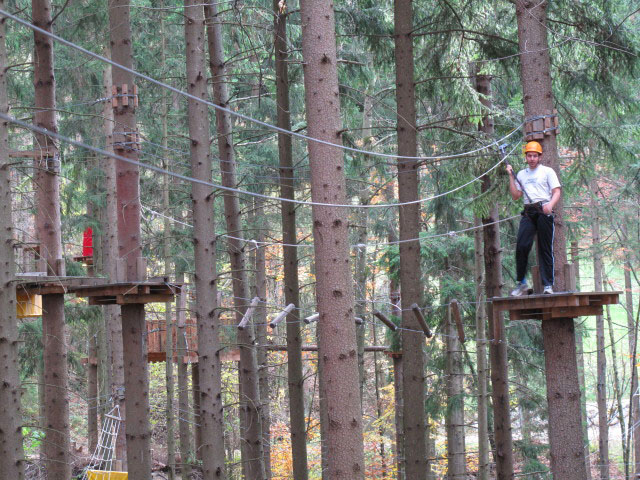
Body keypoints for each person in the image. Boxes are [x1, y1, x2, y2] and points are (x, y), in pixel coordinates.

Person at [506, 141, 562, 296]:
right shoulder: (522, 174)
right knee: (522, 246)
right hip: (528, 212)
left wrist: (550, 204)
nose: (532, 158)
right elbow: (516, 195)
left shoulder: (547, 171)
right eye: (529, 155)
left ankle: (548, 285)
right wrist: (511, 177)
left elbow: (556, 191)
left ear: (539, 157)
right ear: (526, 157)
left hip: (543, 210)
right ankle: (521, 283)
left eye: (534, 156)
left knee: (545, 248)